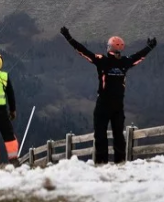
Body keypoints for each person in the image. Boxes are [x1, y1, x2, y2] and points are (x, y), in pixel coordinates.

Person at [60, 26, 157, 164]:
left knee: (100, 134)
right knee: (118, 135)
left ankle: (101, 162)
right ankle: (121, 162)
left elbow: (83, 51)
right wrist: (150, 47)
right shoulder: (125, 62)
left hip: (103, 104)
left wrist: (68, 37)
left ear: (110, 47)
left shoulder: (102, 61)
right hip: (118, 105)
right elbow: (139, 56)